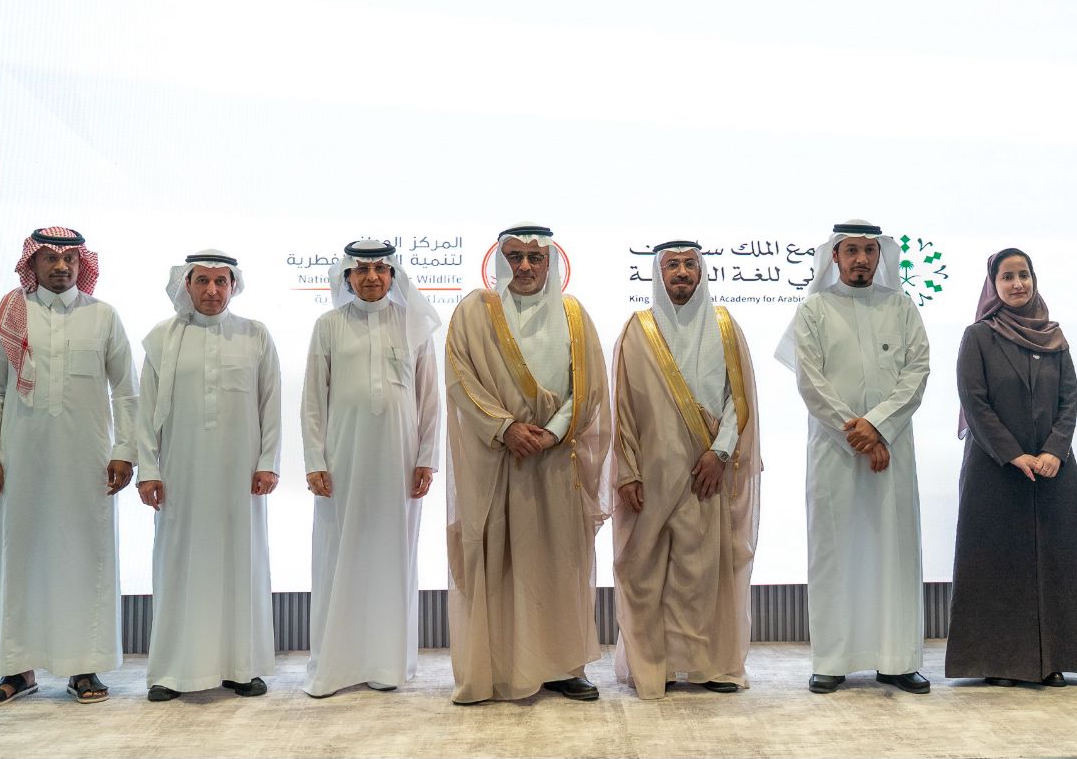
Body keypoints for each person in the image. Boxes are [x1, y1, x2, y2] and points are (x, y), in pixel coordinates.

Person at [445, 223, 611, 704]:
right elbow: (459, 377)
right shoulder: (474, 313)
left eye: (534, 258)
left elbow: (590, 386)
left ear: (549, 263)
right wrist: (506, 429)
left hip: (554, 461)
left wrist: (553, 432)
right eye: (514, 257)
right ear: (501, 262)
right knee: (499, 564)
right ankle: (497, 668)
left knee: (559, 564)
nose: (524, 267)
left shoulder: (574, 315)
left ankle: (564, 666)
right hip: (498, 461)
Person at [0, 228, 137, 707]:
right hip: (19, 463)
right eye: (49, 258)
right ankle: (16, 670)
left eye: (69, 259)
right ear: (33, 263)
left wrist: (124, 451)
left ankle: (84, 667)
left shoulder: (103, 316)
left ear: (82, 264)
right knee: (18, 560)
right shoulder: (10, 313)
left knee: (85, 556)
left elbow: (126, 391)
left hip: (88, 463)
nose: (61, 266)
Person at [777, 220, 930, 695]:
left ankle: (897, 660)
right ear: (835, 257)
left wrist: (878, 426)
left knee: (894, 552)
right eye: (851, 251)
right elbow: (811, 382)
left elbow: (917, 373)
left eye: (869, 251)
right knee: (835, 552)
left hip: (892, 451)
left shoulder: (902, 307)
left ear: (879, 255)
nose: (861, 259)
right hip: (835, 453)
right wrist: (860, 435)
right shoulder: (813, 309)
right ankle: (832, 660)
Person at [944, 248, 1077, 687]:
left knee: (1056, 563)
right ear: (993, 285)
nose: (1018, 284)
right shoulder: (978, 336)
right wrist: (1013, 453)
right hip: (995, 467)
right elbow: (974, 400)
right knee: (998, 564)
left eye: (1024, 275)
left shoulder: (1054, 336)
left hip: (1052, 468)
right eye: (1007, 276)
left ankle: (1052, 659)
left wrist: (1054, 450)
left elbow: (1070, 398)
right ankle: (998, 662)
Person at [612, 241, 761, 701]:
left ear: (702, 271)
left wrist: (721, 453)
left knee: (700, 573)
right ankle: (653, 667)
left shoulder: (725, 326)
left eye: (690, 264)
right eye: (672, 265)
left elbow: (739, 400)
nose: (682, 272)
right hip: (651, 473)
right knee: (645, 572)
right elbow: (622, 409)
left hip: (705, 472)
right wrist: (627, 472)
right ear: (658, 274)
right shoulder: (637, 330)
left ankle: (704, 665)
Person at [136, 250, 281, 702]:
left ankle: (241, 667)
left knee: (241, 561)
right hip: (180, 473)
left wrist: (268, 461)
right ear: (187, 284)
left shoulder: (255, 335)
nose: (212, 290)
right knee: (178, 564)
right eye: (203, 281)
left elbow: (270, 404)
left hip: (240, 475)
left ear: (234, 286)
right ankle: (171, 671)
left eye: (221, 281)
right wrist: (148, 469)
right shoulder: (161, 339)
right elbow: (145, 411)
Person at [301, 239, 440, 698]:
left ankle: (387, 661)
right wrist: (315, 460)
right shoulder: (328, 326)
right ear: (347, 277)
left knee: (392, 556)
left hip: (400, 462)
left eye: (381, 269)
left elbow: (429, 398)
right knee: (339, 554)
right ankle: (336, 664)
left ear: (393, 275)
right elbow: (312, 400)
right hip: (342, 461)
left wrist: (427, 458)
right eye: (361, 270)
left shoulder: (412, 324)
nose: (372, 277)